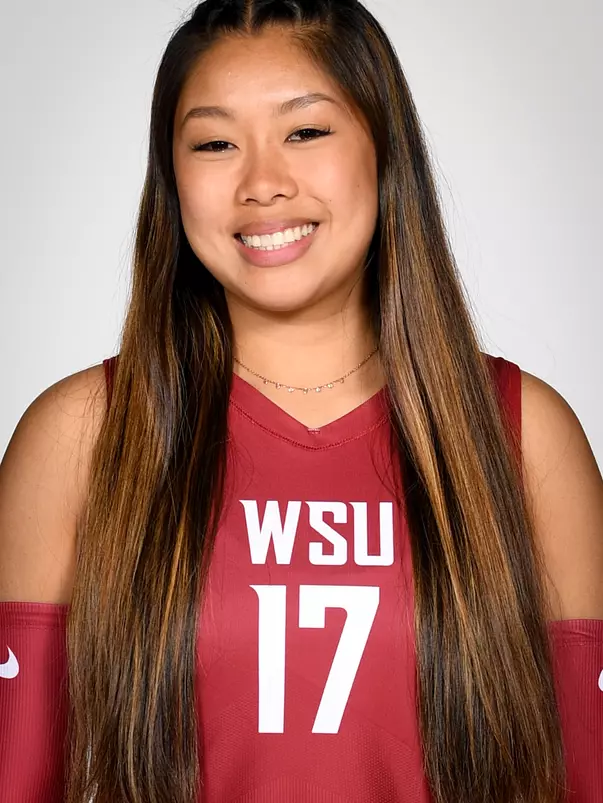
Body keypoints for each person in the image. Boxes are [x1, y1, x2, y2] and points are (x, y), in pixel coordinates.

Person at [1, 1, 602, 801]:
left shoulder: (521, 435)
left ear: (384, 151)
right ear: (170, 178)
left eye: (305, 131)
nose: (261, 184)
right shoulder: (83, 435)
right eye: (214, 144)